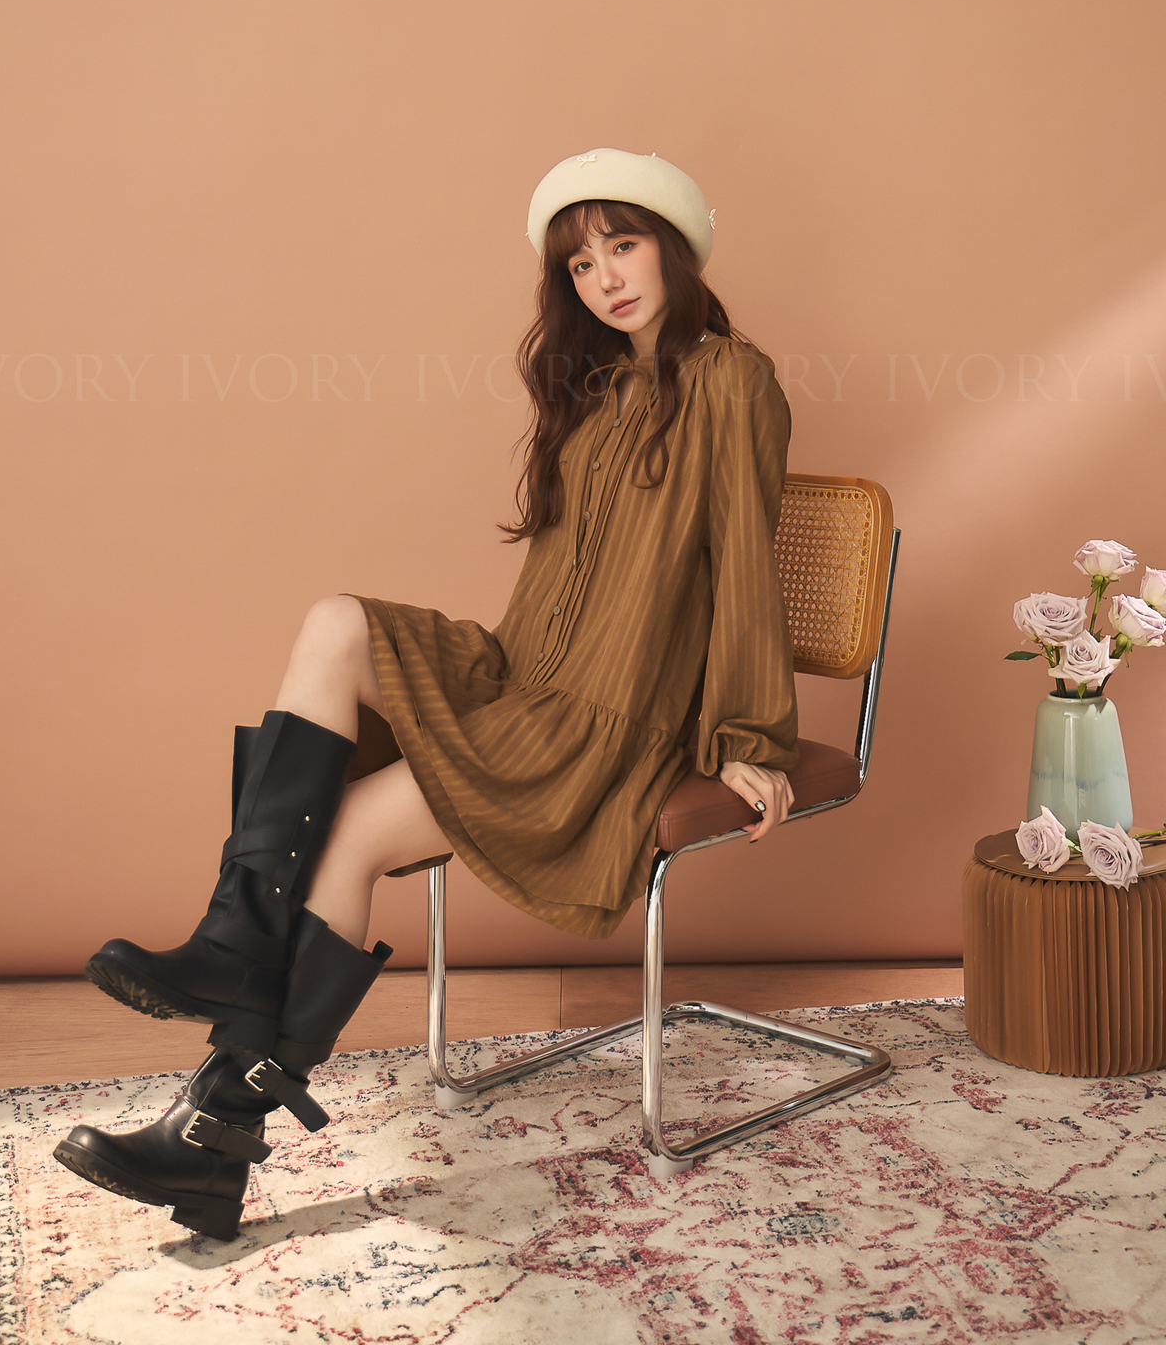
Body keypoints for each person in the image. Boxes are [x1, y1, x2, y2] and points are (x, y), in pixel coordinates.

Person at [53, 147, 798, 1239]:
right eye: (580, 263)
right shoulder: (596, 389)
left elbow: (743, 562)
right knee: (333, 621)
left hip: (591, 722)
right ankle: (232, 948)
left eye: (623, 245)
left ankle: (211, 1134)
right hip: (516, 675)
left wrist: (748, 736)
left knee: (351, 831)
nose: (604, 277)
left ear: (674, 248)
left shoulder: (733, 379)